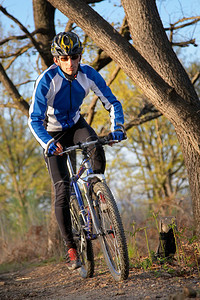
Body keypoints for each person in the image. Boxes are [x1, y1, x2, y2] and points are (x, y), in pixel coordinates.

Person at [28, 31, 126, 270]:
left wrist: (118, 127)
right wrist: (49, 143)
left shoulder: (88, 74)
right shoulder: (47, 80)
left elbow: (112, 102)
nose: (70, 63)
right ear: (56, 60)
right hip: (51, 133)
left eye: (74, 57)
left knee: (95, 147)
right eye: (64, 58)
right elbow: (33, 120)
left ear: (80, 56)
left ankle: (97, 192)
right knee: (62, 189)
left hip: (75, 125)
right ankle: (71, 247)